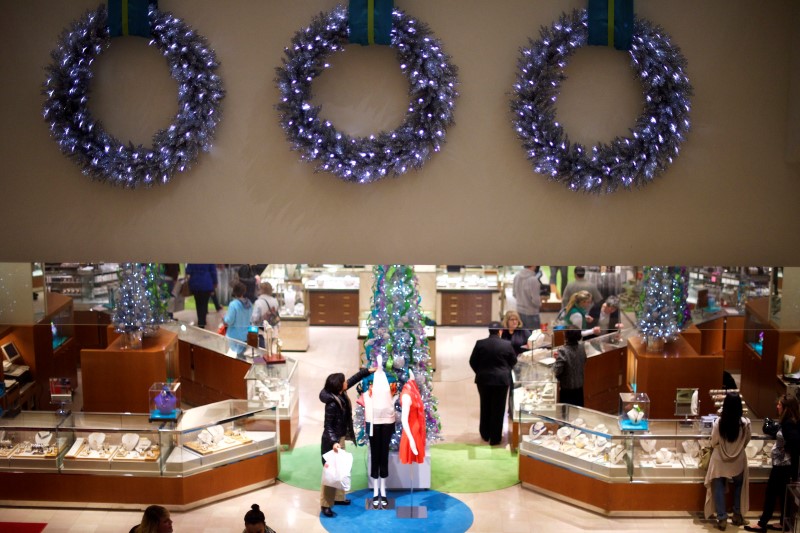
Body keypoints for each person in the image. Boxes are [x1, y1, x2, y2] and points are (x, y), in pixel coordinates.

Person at [319, 365, 375, 518]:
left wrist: (366, 372)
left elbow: (352, 379)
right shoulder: (332, 404)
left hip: (340, 437)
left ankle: (338, 498)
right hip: (333, 441)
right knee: (331, 473)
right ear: (339, 386)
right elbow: (328, 427)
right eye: (343, 382)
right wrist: (334, 443)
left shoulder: (340, 393)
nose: (346, 383)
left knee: (341, 470)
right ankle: (326, 504)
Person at [745, 394, 800, 532]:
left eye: (779, 404)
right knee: (782, 495)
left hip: (783, 466)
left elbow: (795, 445)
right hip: (783, 465)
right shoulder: (789, 422)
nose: (777, 406)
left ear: (786, 408)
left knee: (771, 494)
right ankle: (783, 522)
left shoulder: (789, 424)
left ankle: (762, 524)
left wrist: (794, 472)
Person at [705, 392, 751, 531]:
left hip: (719, 460)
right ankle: (737, 515)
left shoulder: (719, 423)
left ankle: (722, 518)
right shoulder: (745, 423)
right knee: (738, 485)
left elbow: (713, 441)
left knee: (718, 486)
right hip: (738, 460)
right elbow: (747, 440)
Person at [469, 321, 518, 445]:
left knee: (485, 405)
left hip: (483, 380)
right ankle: (495, 438)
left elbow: (472, 361)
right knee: (498, 408)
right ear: (500, 331)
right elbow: (514, 360)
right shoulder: (507, 344)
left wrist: (480, 371)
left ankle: (485, 434)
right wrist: (506, 371)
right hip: (501, 381)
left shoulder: (480, 343)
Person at [363, 355, 396, 510]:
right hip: (372, 421)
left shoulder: (391, 378)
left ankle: (383, 488)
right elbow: (363, 396)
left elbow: (395, 397)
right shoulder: (368, 379)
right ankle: (376, 490)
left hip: (388, 421)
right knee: (375, 454)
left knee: (384, 453)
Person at [553, 327, 587, 407]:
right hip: (579, 388)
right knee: (578, 413)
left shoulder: (562, 351)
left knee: (567, 416)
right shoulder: (581, 347)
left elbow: (557, 371)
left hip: (567, 390)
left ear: (566, 336)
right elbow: (584, 360)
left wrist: (556, 360)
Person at [223, 282, 253, 356]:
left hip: (234, 337)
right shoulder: (249, 303)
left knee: (235, 360)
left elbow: (229, 321)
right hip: (246, 335)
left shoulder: (233, 304)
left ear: (234, 291)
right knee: (242, 358)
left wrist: (224, 318)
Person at [185, 263, 218, 329]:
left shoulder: (192, 259)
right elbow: (213, 272)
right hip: (206, 283)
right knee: (204, 303)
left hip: (195, 284)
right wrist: (215, 282)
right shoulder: (209, 259)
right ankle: (202, 321)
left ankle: (201, 320)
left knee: (198, 303)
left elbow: (188, 271)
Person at [512, 265, 542, 330]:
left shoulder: (516, 277)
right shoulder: (533, 280)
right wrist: (540, 301)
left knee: (522, 338)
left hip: (519, 312)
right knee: (535, 338)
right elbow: (536, 301)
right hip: (531, 314)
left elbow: (514, 294)